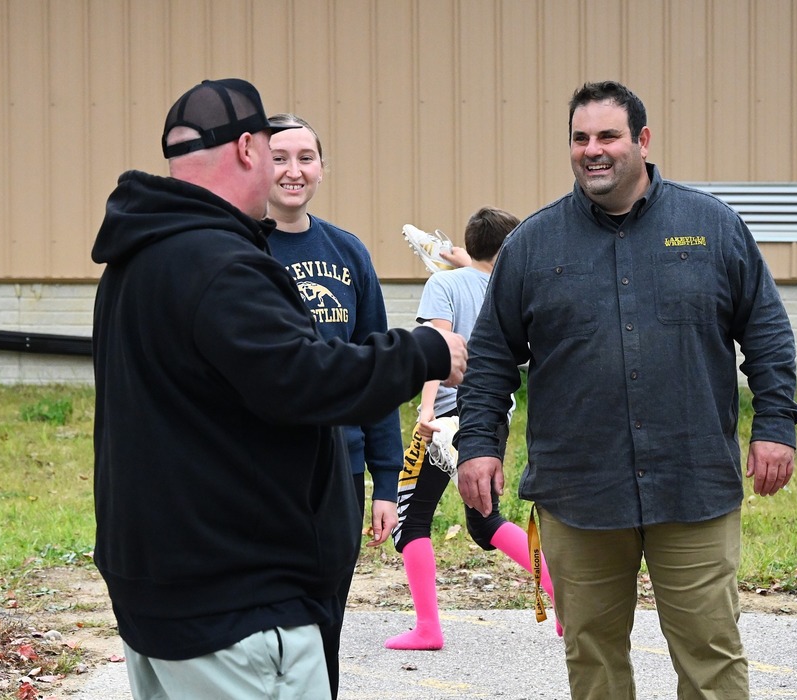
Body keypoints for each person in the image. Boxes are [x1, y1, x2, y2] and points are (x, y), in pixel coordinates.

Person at [90, 78, 467, 700]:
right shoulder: (220, 265)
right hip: (235, 603)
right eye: (272, 149)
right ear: (246, 149)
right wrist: (425, 351)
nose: (280, 167)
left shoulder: (137, 259)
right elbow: (305, 378)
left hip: (162, 592)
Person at [455, 81, 797, 700]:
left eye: (608, 136)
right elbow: (490, 357)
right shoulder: (531, 247)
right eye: (580, 138)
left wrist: (775, 427)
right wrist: (479, 443)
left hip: (691, 483)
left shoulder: (712, 228)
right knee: (591, 655)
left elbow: (768, 332)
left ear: (641, 140)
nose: (594, 150)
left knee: (711, 654)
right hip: (579, 489)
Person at [265, 113, 403, 693]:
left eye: (305, 158)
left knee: (326, 619)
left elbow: (377, 372)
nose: (293, 171)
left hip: (338, 473)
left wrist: (386, 482)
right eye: (279, 157)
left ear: (321, 168)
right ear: (252, 162)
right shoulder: (236, 247)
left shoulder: (347, 253)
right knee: (264, 621)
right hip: (261, 471)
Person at [385, 206, 560, 651]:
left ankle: (427, 628)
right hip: (492, 421)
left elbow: (437, 349)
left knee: (411, 521)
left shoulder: (442, 284)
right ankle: (566, 601)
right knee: (486, 524)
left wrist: (425, 412)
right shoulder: (510, 288)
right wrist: (465, 259)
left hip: (444, 418)